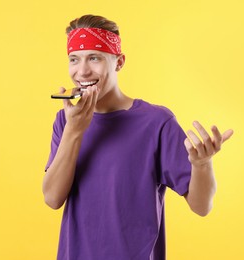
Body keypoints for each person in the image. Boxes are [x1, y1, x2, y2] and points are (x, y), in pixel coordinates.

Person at [43, 14, 233, 260]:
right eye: (74, 59)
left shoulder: (156, 123)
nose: (82, 71)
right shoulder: (65, 120)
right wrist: (74, 130)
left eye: (94, 58)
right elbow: (52, 198)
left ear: (119, 62)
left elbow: (201, 206)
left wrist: (202, 164)